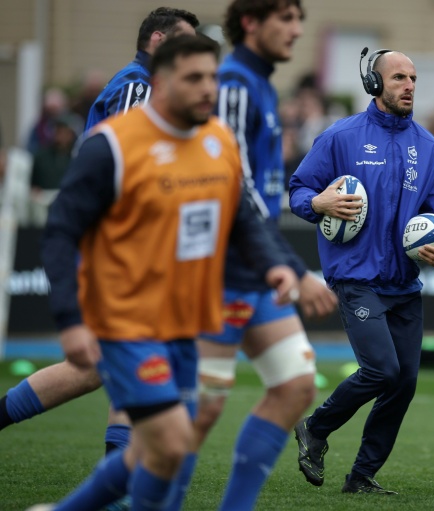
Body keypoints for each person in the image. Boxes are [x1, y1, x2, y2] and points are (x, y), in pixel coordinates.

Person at [26, 34, 298, 511]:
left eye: (212, 77)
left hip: (188, 320)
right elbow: (60, 232)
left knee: (164, 447)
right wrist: (70, 320)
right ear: (162, 81)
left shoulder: (218, 139)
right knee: (170, 442)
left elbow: (239, 218)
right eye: (194, 78)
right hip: (126, 321)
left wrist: (274, 264)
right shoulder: (112, 145)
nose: (208, 88)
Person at [0, 7, 200, 463]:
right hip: (118, 247)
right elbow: (125, 163)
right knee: (132, 358)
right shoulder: (137, 86)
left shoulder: (145, 86)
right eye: (184, 41)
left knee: (101, 366)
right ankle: (118, 477)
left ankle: (117, 473)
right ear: (157, 40)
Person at [289, 48, 434, 494]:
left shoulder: (429, 148)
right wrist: (318, 202)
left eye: (413, 79)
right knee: (383, 370)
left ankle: (362, 476)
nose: (409, 86)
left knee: (403, 382)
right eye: (399, 78)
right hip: (356, 278)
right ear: (374, 83)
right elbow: (299, 189)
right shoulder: (340, 136)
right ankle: (315, 428)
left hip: (404, 284)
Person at [189, 1, 337, 509]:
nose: (296, 30)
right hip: (222, 272)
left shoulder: (262, 84)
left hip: (255, 269)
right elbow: (234, 186)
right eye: (285, 19)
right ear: (251, 23)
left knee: (295, 386)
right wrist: (291, 266)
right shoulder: (233, 83)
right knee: (194, 416)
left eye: (299, 20)